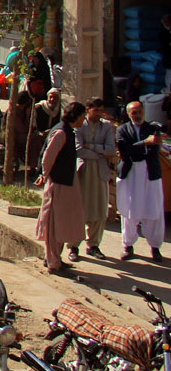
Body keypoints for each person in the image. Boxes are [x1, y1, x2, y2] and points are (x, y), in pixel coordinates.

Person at [34, 102, 88, 274]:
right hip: (58, 183)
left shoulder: (68, 131)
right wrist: (44, 174)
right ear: (76, 116)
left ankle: (55, 258)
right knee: (53, 224)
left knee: (63, 222)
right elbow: (48, 157)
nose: (84, 119)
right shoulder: (61, 133)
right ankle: (52, 262)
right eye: (82, 116)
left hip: (67, 182)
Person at [116, 100, 165, 262]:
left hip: (150, 173)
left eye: (139, 112)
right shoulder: (123, 130)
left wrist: (138, 148)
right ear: (128, 114)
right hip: (130, 173)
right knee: (129, 210)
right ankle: (128, 245)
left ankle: (155, 247)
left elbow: (152, 151)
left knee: (154, 209)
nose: (137, 115)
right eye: (133, 113)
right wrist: (145, 143)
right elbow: (124, 151)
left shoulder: (153, 128)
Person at [70, 97, 117, 260]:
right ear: (88, 110)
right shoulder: (79, 126)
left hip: (100, 172)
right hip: (84, 172)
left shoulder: (107, 126)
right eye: (95, 110)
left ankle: (94, 245)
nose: (98, 113)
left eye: (100, 110)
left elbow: (111, 149)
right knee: (80, 209)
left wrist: (93, 147)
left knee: (99, 209)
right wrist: (99, 153)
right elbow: (79, 150)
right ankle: (73, 246)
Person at [10, 90, 45, 177]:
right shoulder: (15, 112)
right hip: (14, 137)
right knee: (35, 138)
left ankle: (37, 164)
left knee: (37, 138)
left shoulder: (21, 111)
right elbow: (21, 129)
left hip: (21, 135)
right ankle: (34, 165)